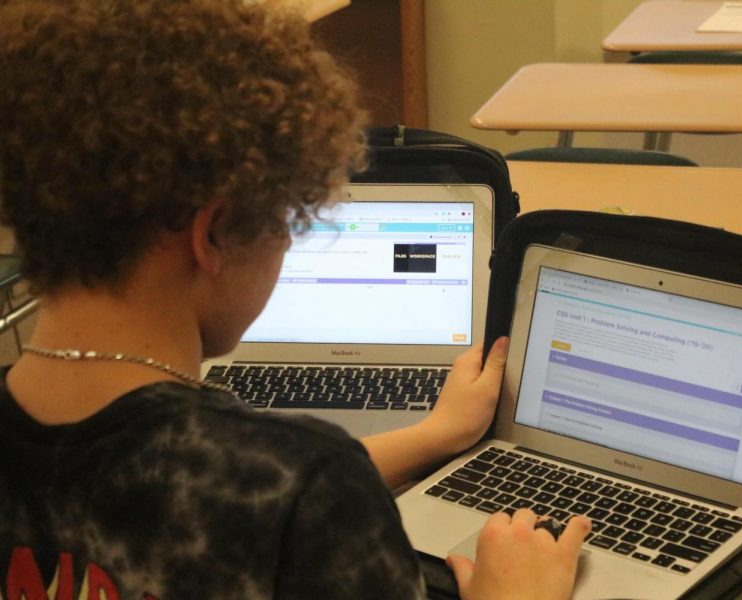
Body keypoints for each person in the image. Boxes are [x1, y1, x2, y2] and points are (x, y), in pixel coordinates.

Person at [0, 0, 590, 598]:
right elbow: (268, 489)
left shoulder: (297, 482)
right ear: (212, 236)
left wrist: (432, 435)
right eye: (286, 219)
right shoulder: (308, 489)